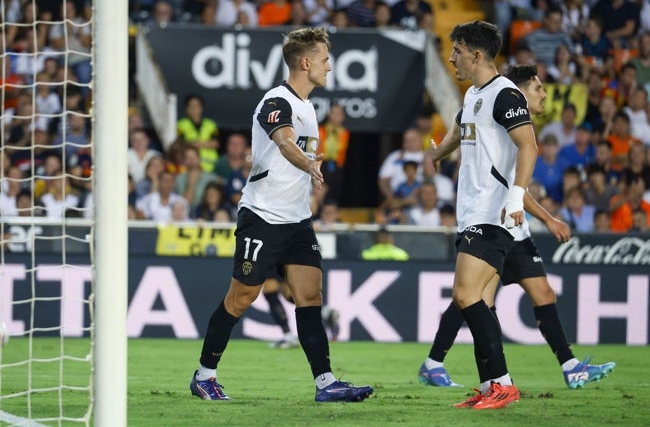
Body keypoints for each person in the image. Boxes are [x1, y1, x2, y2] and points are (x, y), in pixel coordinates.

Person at [189, 27, 373, 403]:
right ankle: (204, 375)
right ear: (305, 62)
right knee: (241, 298)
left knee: (310, 296)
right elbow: (284, 141)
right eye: (324, 59)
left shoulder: (309, 107)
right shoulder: (277, 100)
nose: (329, 66)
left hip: (296, 220)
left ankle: (326, 383)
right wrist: (308, 163)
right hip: (262, 217)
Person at [420, 63, 615, 397]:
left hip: (510, 225)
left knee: (521, 296)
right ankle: (458, 370)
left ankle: (561, 369)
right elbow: (511, 183)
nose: (543, 94)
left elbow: (512, 182)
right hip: (495, 219)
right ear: (520, 92)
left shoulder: (501, 112)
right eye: (538, 88)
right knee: (472, 299)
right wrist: (549, 218)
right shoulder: (500, 106)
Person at [428, 22, 541, 410]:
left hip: (493, 212)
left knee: (464, 295)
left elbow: (529, 146)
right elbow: (456, 136)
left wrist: (516, 196)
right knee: (477, 301)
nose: (451, 57)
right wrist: (434, 154)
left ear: (476, 54)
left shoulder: (505, 94)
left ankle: (504, 384)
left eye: (456, 50)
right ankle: (489, 385)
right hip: (472, 212)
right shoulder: (474, 96)